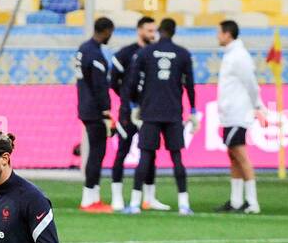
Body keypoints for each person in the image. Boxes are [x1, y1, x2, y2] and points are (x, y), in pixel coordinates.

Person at [121, 17, 197, 216]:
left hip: (150, 112)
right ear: (173, 32)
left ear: (160, 31)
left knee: (145, 156)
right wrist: (194, 110)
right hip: (173, 113)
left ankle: (135, 204)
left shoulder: (145, 52)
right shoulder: (183, 54)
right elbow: (189, 85)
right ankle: (184, 204)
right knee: (177, 157)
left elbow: (133, 81)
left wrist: (133, 105)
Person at [108, 16, 165, 211]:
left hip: (149, 111)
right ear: (140, 30)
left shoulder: (157, 53)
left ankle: (149, 198)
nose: (153, 34)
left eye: (154, 31)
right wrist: (126, 98)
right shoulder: (126, 53)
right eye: (149, 30)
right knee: (122, 151)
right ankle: (116, 196)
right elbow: (113, 81)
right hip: (128, 112)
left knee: (149, 153)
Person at [214, 20, 268, 214]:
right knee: (233, 156)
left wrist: (257, 105)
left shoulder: (239, 56)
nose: (217, 36)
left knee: (241, 155)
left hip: (238, 113)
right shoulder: (232, 55)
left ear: (228, 34)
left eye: (219, 33)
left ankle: (252, 202)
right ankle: (236, 200)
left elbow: (251, 83)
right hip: (230, 114)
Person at [75, 16, 114, 213]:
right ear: (106, 31)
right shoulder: (95, 53)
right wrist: (106, 109)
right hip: (95, 110)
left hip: (84, 106)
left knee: (96, 153)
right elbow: (99, 85)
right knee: (97, 154)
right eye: (110, 33)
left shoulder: (83, 49)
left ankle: (93, 197)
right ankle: (89, 199)